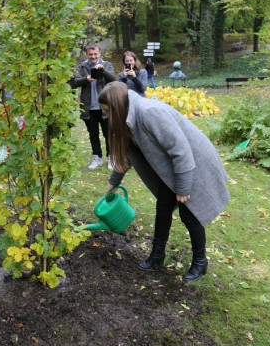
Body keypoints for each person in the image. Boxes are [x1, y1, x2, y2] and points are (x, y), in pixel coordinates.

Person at [98, 81, 230, 281]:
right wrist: (112, 183)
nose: (106, 116)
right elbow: (126, 156)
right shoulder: (128, 118)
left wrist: (183, 186)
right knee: (163, 208)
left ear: (117, 106)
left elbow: (181, 150)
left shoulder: (149, 112)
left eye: (108, 111)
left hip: (191, 163)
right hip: (171, 168)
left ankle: (200, 261)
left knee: (190, 215)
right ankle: (157, 255)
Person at [73, 44, 116, 170]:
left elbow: (113, 79)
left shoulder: (107, 64)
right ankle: (97, 158)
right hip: (88, 108)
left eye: (95, 54)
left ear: (99, 54)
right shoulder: (82, 66)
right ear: (87, 55)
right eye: (90, 54)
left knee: (108, 134)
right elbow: (75, 81)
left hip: (105, 108)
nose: (93, 56)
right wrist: (86, 79)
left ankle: (110, 158)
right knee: (93, 135)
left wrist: (103, 71)